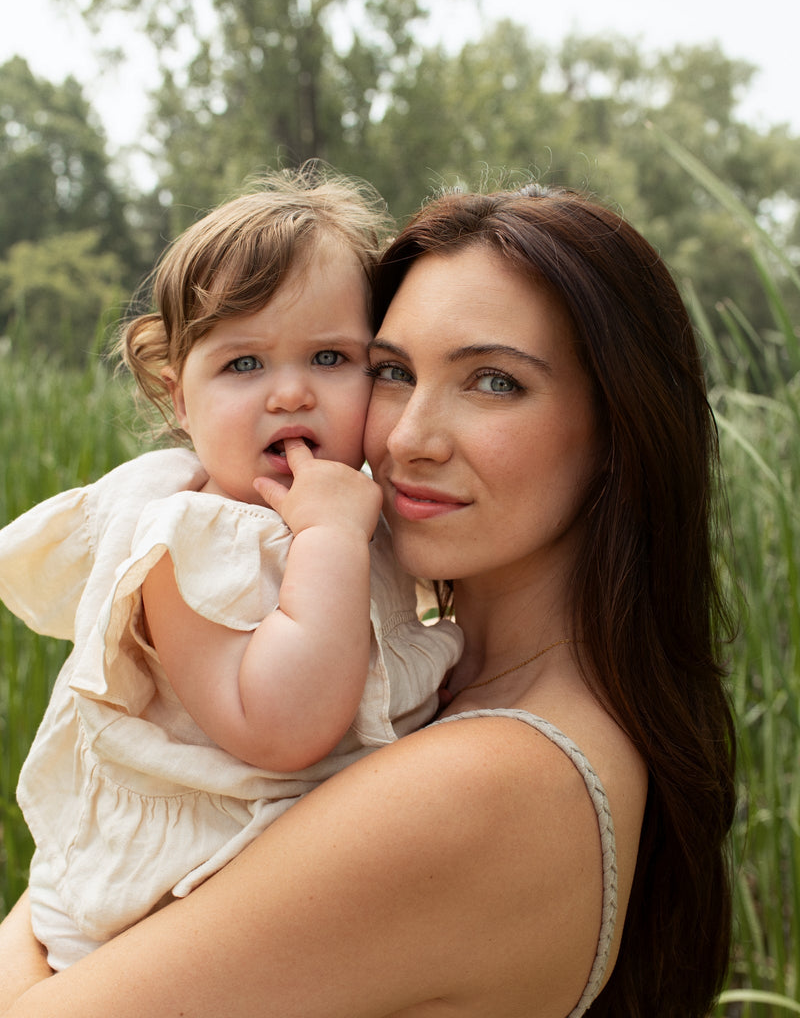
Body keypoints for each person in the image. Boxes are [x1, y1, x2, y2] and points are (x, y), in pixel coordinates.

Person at [0, 183, 736, 1018]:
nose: (410, 438)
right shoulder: (427, 671)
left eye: (493, 382)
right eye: (391, 372)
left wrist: (46, 907)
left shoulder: (497, 782)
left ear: (620, 432)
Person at [0, 169, 462, 972]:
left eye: (329, 356)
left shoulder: (357, 510)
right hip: (165, 902)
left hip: (288, 876)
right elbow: (282, 726)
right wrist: (328, 539)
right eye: (243, 365)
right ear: (180, 397)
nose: (290, 394)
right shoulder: (183, 544)